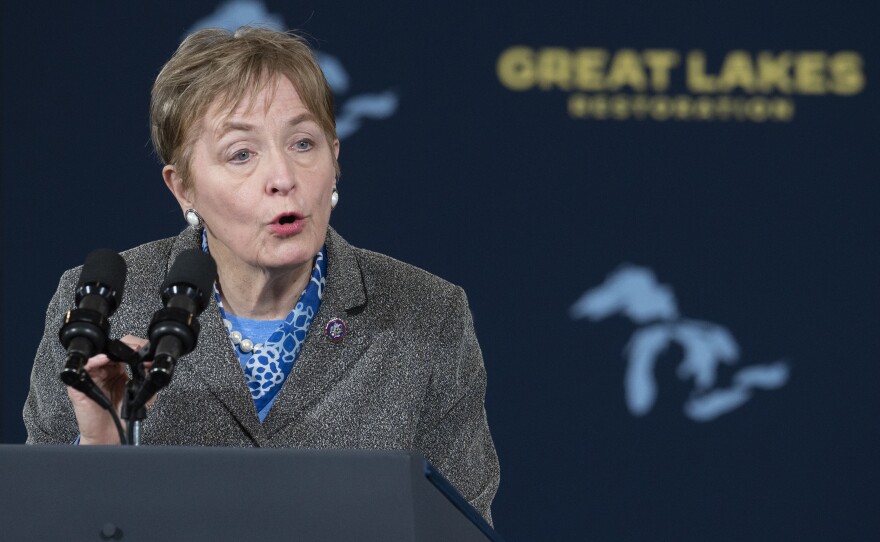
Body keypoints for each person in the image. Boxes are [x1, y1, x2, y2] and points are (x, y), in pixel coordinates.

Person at [23, 27, 499, 523]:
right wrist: (100, 448)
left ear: (335, 158)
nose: (283, 178)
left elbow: (462, 528)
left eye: (302, 143)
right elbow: (38, 523)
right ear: (183, 187)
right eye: (241, 154)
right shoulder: (101, 310)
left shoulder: (428, 315)